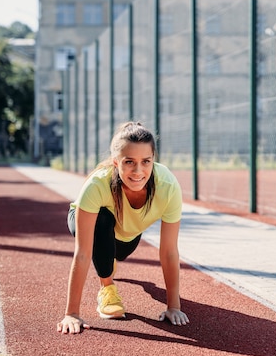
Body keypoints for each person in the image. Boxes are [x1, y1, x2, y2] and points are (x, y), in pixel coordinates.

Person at [57, 121, 190, 334]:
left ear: (153, 160)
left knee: (111, 254)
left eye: (146, 161)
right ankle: (107, 287)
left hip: (127, 238)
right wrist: (71, 314)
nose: (138, 171)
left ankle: (108, 260)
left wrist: (173, 307)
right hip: (91, 225)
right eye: (129, 162)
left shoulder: (168, 186)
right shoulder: (97, 185)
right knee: (102, 222)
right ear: (116, 162)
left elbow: (169, 251)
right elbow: (82, 254)